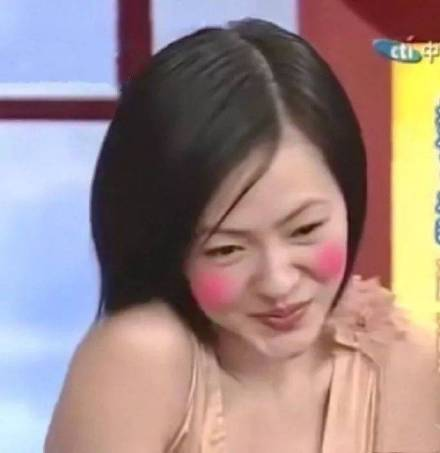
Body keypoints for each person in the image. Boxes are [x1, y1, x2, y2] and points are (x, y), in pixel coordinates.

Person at [44, 18, 439, 453]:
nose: (278, 282)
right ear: (168, 244)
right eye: (227, 248)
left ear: (350, 198)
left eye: (305, 229)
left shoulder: (404, 364)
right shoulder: (139, 361)